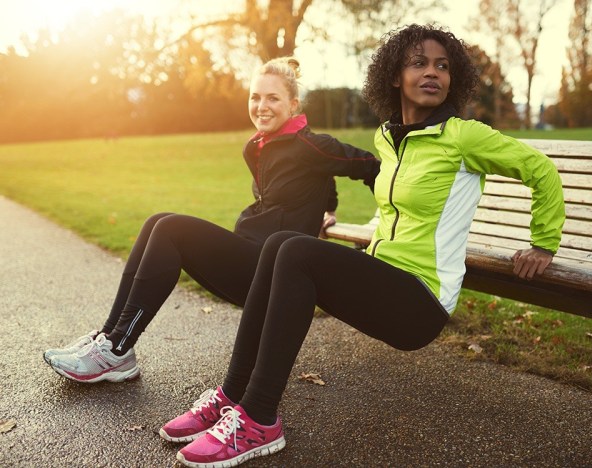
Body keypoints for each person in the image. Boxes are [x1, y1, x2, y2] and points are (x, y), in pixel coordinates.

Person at [170, 24, 565, 467]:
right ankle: (233, 395)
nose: (432, 73)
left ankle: (259, 417)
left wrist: (543, 244)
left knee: (294, 249)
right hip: (385, 282)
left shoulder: (463, 137)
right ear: (395, 76)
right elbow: (383, 202)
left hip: (421, 301)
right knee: (282, 242)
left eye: (442, 66)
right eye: (419, 63)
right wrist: (340, 221)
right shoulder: (389, 138)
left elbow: (541, 170)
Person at [43, 56, 380, 394]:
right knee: (156, 222)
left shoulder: (312, 144)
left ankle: (117, 349)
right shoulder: (260, 146)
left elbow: (369, 166)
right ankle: (109, 339)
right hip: (248, 255)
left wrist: (387, 217)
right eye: (255, 97)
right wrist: (326, 208)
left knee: (171, 230)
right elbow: (323, 177)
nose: (262, 106)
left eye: (273, 98)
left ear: (293, 105)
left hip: (270, 269)